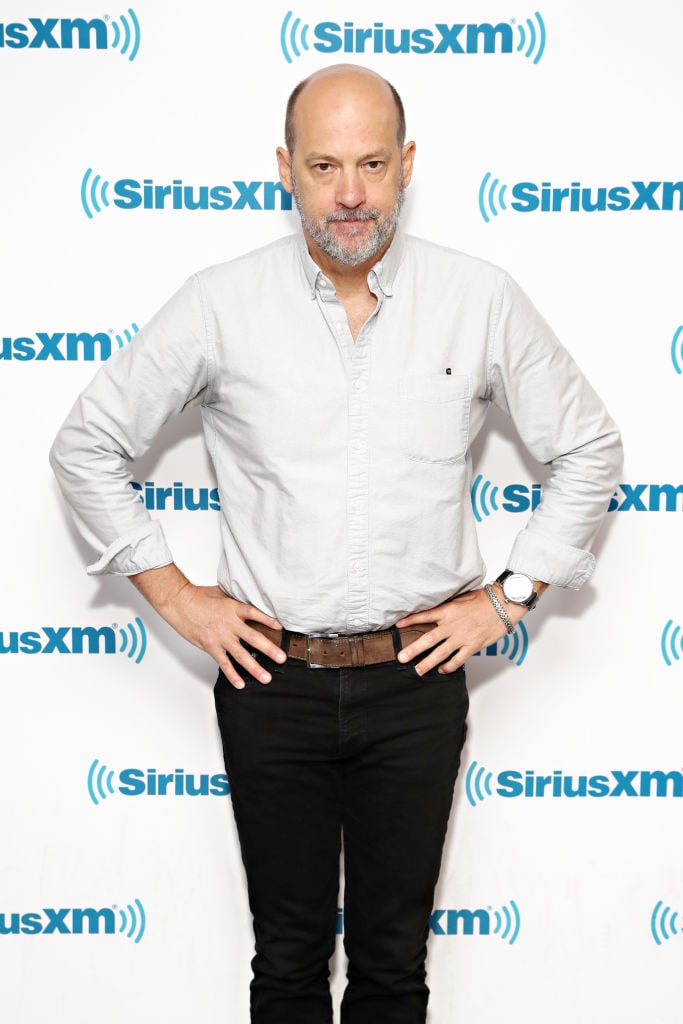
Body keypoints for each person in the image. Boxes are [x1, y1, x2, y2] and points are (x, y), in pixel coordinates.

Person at [50, 64, 622, 1023]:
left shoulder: (478, 297)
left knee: (393, 967)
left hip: (416, 682)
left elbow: (589, 448)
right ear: (286, 169)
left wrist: (510, 595)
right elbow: (86, 445)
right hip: (269, 681)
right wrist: (176, 595)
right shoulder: (219, 303)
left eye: (370, 164)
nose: (349, 193)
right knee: (287, 962)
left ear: (406, 164)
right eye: (323, 166)